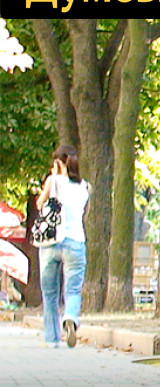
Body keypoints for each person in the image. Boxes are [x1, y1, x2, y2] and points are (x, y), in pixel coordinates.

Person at [37, 145, 90, 348]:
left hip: (51, 242)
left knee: (50, 293)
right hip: (76, 241)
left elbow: (40, 204)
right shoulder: (85, 187)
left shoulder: (53, 181)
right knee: (73, 290)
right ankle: (70, 317)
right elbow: (82, 213)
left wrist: (54, 176)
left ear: (58, 162)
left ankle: (52, 339)